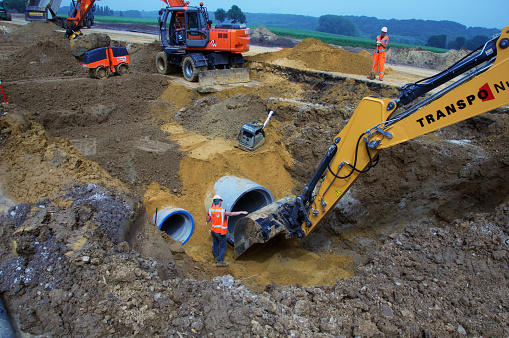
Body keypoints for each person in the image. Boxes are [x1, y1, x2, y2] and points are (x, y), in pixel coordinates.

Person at [206, 195, 248, 267]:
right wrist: (241, 212)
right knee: (223, 246)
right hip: (220, 232)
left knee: (215, 245)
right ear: (219, 202)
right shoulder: (222, 211)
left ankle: (216, 258)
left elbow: (207, 220)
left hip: (213, 231)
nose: (221, 203)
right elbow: (232, 214)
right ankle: (220, 261)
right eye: (221, 201)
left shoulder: (211, 210)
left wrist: (209, 214)